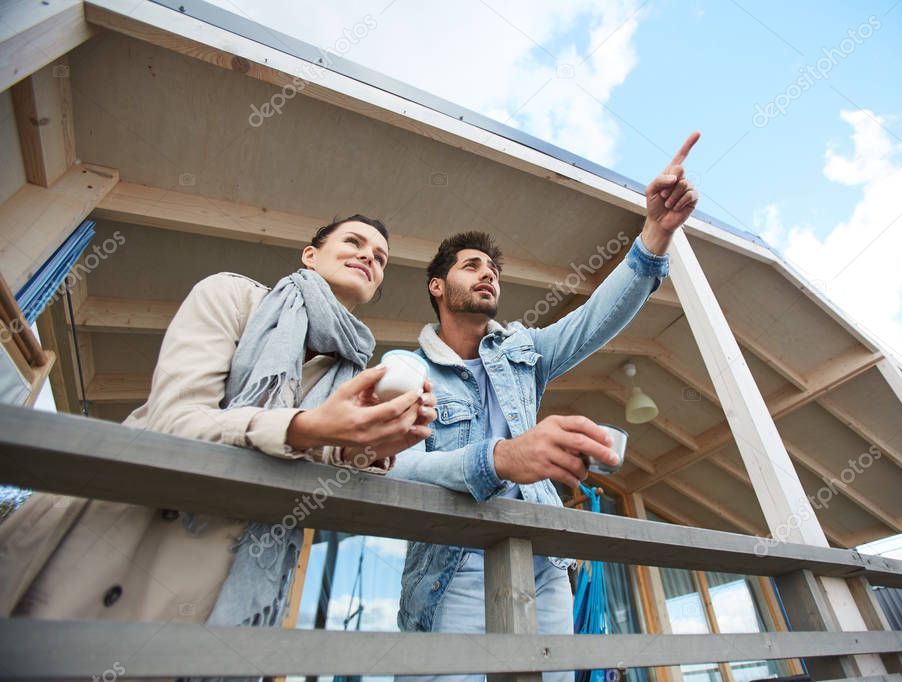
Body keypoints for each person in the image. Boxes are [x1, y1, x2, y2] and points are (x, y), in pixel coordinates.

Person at [0, 215, 437, 631]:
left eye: (380, 258)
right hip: (116, 534)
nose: (369, 258)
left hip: (215, 578)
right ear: (310, 255)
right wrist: (306, 427)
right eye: (354, 243)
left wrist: (370, 449)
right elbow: (175, 421)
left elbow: (318, 475)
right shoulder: (231, 296)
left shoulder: (352, 372)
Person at [390, 133, 702, 682]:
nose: (487, 273)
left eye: (493, 268)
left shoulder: (523, 353)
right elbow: (396, 467)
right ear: (437, 285)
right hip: (452, 566)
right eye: (471, 266)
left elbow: (594, 319)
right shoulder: (407, 368)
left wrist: (653, 235)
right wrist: (499, 459)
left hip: (543, 565)